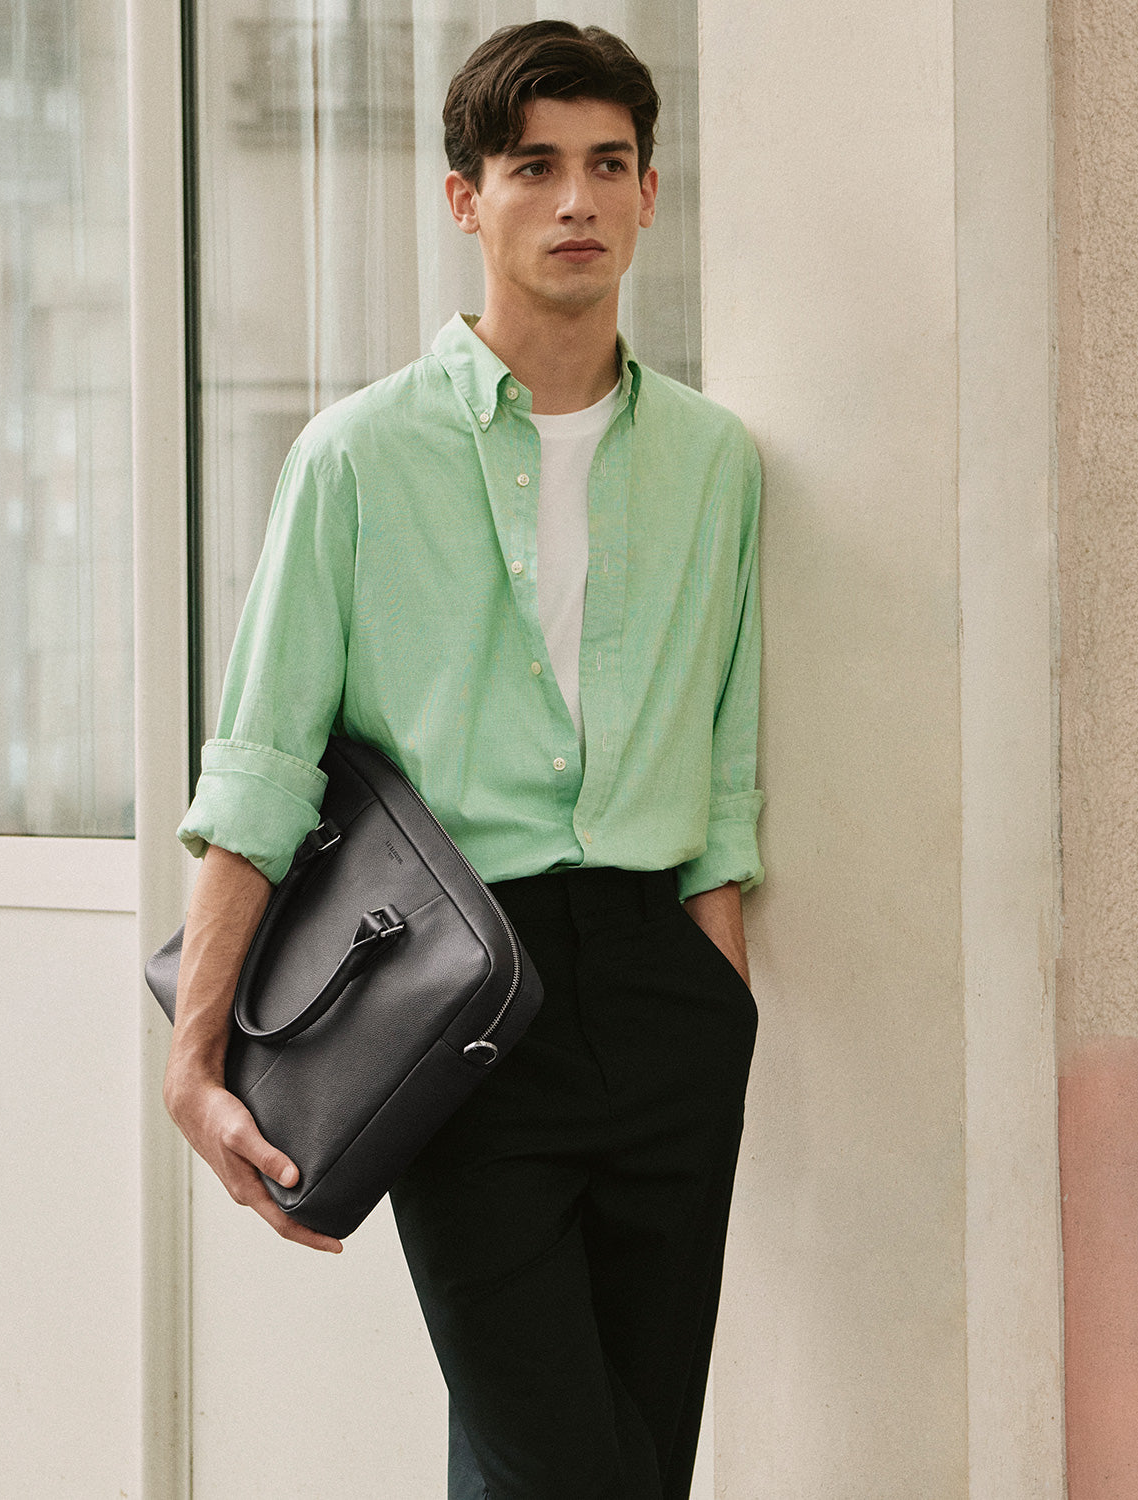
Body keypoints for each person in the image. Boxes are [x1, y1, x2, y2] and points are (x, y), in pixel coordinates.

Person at [163, 20, 763, 1500]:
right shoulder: (358, 457)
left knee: (628, 1459)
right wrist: (196, 1057)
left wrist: (720, 992)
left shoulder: (716, 461)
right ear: (465, 199)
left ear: (651, 194)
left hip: (665, 997)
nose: (576, 200)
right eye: (533, 167)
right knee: (564, 1466)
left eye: (608, 165)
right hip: (465, 1001)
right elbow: (264, 765)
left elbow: (726, 764)